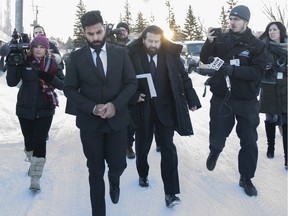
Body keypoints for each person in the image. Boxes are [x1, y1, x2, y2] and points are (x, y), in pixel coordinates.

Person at [63, 11, 137, 216]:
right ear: (84, 34)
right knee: (95, 171)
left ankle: (115, 181)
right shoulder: (75, 58)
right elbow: (69, 89)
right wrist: (92, 107)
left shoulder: (120, 53)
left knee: (118, 165)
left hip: (117, 121)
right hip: (90, 124)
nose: (95, 37)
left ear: (104, 28)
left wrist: (115, 105)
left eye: (98, 32)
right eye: (90, 34)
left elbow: (131, 83)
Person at [127, 25, 201, 207]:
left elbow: (183, 77)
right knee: (142, 148)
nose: (153, 44)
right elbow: (123, 80)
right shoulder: (131, 56)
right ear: (143, 40)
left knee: (168, 148)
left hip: (165, 110)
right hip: (142, 110)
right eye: (150, 41)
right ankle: (142, 173)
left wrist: (192, 98)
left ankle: (171, 193)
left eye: (156, 41)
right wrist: (134, 95)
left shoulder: (170, 55)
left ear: (162, 40)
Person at [200, 5, 267, 196]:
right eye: (231, 18)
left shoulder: (257, 45)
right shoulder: (221, 39)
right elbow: (205, 58)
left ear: (246, 22)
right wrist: (209, 41)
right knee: (218, 131)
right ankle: (215, 150)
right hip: (222, 97)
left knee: (249, 140)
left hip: (246, 100)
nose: (232, 22)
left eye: (237, 19)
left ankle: (246, 178)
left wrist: (234, 71)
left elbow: (258, 72)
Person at [6, 35, 64, 190]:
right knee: (29, 141)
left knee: (39, 142)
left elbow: (63, 84)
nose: (39, 49)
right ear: (31, 48)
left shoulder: (52, 63)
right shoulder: (23, 62)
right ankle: (33, 163)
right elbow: (11, 82)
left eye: (42, 47)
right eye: (36, 46)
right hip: (24, 109)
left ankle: (36, 177)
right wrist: (11, 63)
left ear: (46, 49)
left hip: (45, 109)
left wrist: (48, 77)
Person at [258, 22, 287, 168]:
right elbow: (258, 65)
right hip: (269, 86)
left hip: (285, 87)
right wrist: (265, 68)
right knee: (270, 118)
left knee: (286, 119)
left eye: (275, 29)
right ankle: (271, 146)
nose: (272, 32)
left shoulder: (287, 46)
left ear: (281, 31)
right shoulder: (263, 47)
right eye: (270, 30)